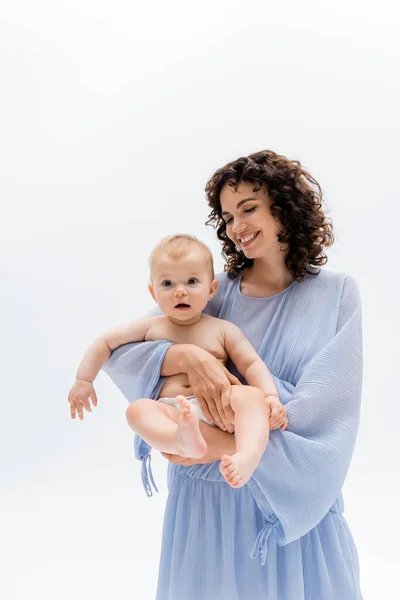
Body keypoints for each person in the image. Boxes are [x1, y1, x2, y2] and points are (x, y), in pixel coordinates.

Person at [74, 150, 363, 599]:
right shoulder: (209, 291)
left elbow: (325, 416)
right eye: (228, 216)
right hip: (204, 509)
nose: (237, 226)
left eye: (249, 208)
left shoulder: (337, 295)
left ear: (285, 208)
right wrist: (191, 359)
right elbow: (122, 353)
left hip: (281, 510)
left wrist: (217, 444)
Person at [68, 234, 287, 488]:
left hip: (221, 406)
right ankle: (178, 439)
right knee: (137, 411)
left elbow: (251, 364)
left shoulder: (222, 330)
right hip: (173, 410)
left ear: (211, 289)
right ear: (153, 292)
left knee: (251, 397)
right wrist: (83, 380)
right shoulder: (151, 327)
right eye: (168, 283)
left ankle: (248, 455)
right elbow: (105, 342)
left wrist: (270, 397)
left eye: (192, 281)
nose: (180, 291)